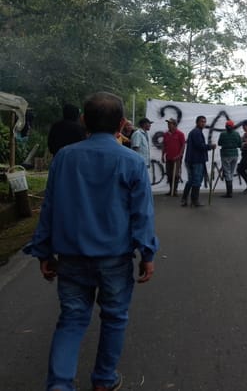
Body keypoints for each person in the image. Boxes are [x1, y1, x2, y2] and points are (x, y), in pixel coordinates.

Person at [23, 92, 159, 391]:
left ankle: (59, 385)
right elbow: (142, 215)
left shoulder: (64, 157)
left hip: (71, 258)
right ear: (123, 124)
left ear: (83, 120)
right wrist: (147, 254)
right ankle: (103, 380)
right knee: (114, 318)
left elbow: (50, 208)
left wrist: (42, 251)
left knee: (71, 320)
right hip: (114, 259)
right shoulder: (133, 162)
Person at [181, 115, 215, 207]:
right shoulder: (196, 132)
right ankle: (194, 201)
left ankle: (184, 199)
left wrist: (208, 146)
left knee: (191, 180)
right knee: (196, 181)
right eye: (201, 121)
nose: (203, 123)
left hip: (191, 159)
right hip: (196, 160)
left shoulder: (195, 132)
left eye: (204, 122)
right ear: (197, 122)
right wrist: (210, 146)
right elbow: (199, 146)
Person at [161, 118, 186, 196]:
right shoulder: (166, 134)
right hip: (168, 157)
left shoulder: (180, 134)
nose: (168, 125)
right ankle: (171, 190)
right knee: (169, 174)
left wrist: (179, 155)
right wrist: (162, 155)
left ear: (174, 125)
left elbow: (183, 145)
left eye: (170, 123)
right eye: (168, 123)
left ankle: (174, 191)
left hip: (177, 158)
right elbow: (164, 145)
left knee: (175, 174)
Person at [218, 120, 242, 198]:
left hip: (225, 154)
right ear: (233, 126)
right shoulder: (237, 134)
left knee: (227, 173)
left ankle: (229, 193)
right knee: (231, 172)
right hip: (234, 154)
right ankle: (229, 192)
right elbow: (240, 144)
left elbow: (219, 143)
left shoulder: (223, 134)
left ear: (225, 126)